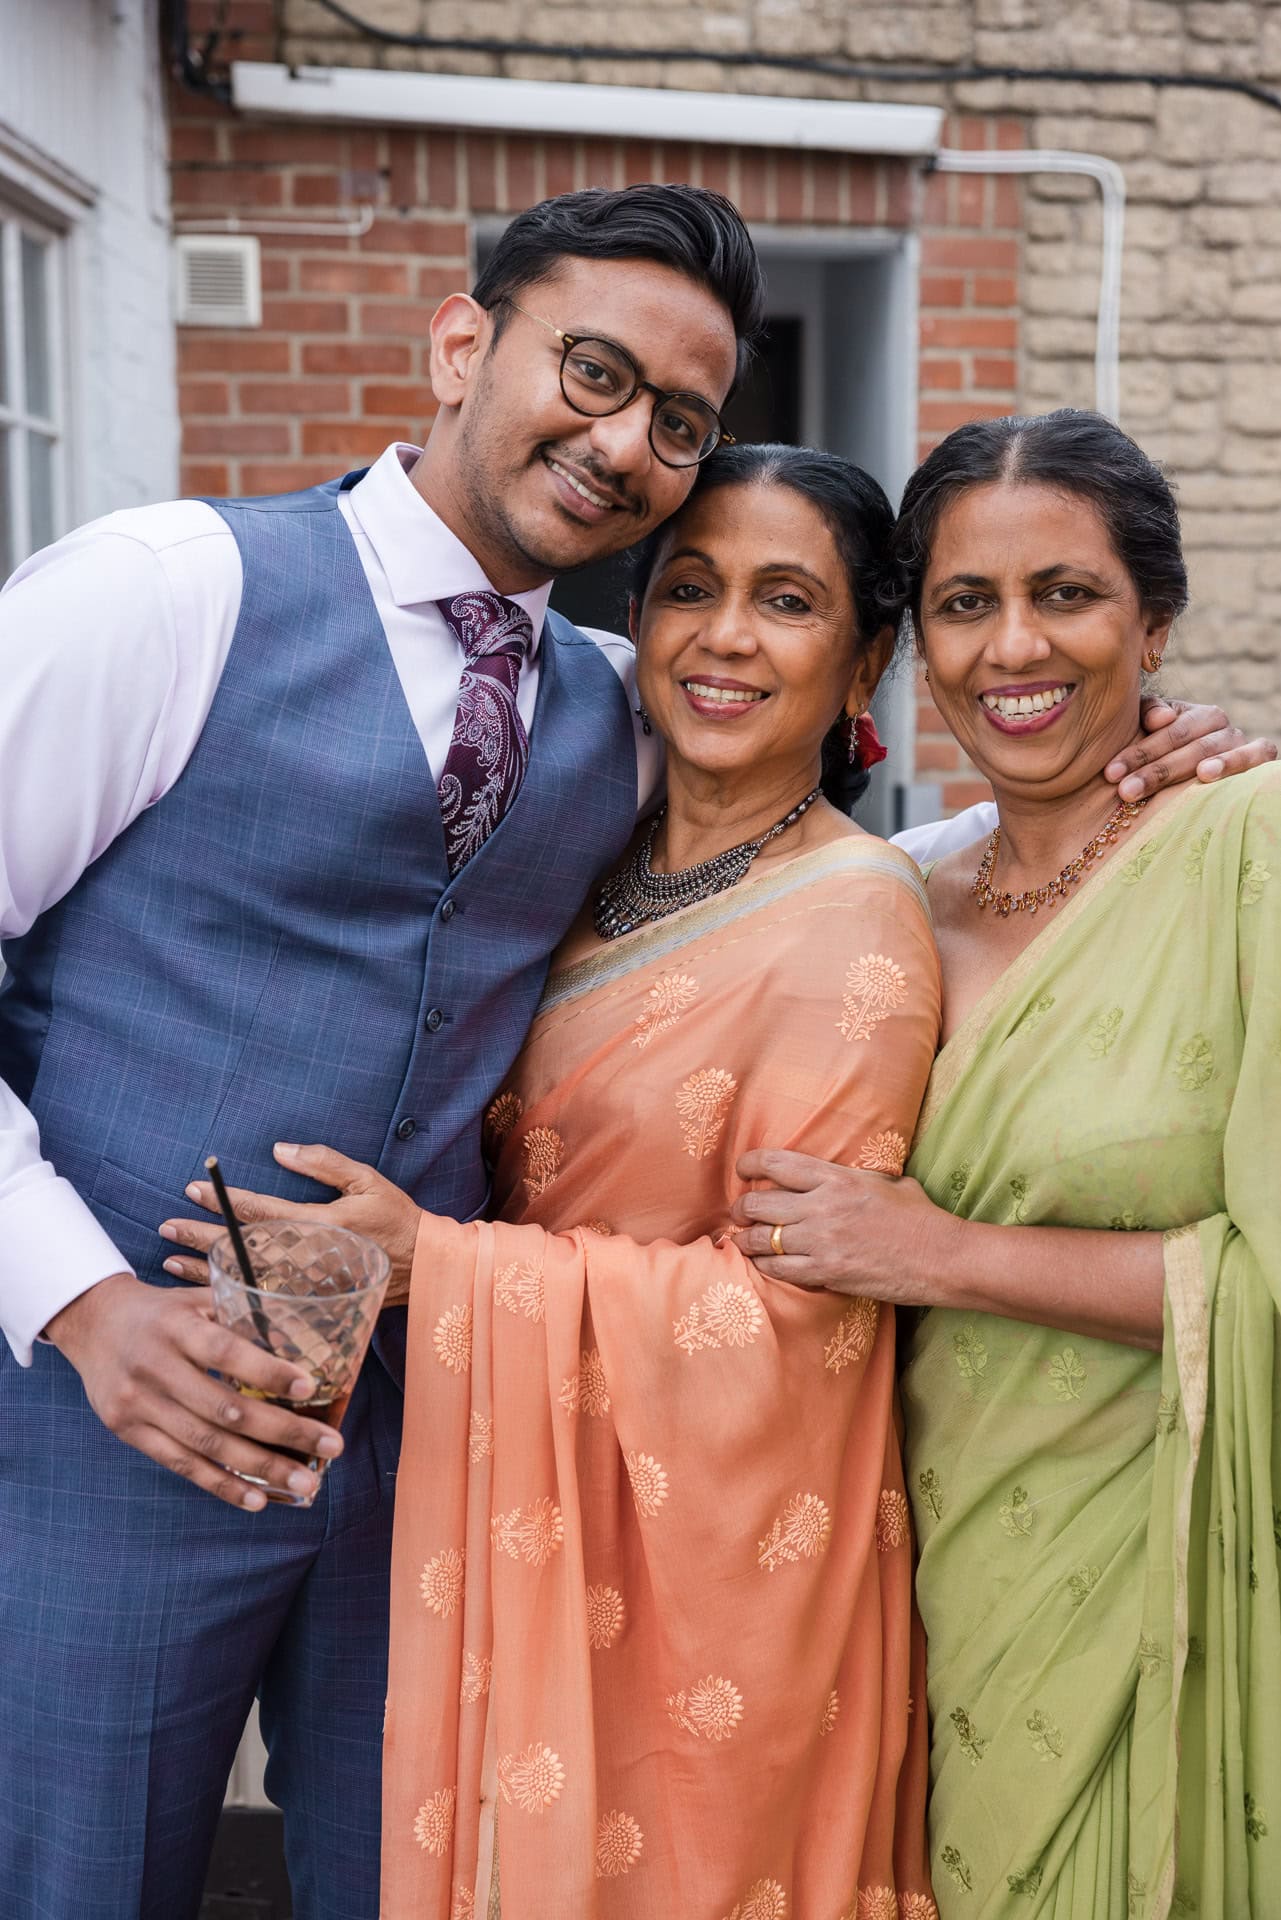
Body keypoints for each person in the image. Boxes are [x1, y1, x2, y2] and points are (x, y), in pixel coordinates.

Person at [0, 184, 765, 1920]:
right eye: (592, 370)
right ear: (458, 344)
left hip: (427, 1453)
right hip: (100, 1421)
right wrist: (84, 1307)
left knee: (416, 1885)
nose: (622, 442)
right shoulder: (166, 593)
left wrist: (1094, 798)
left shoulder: (618, 710)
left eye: (679, 421)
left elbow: (801, 870)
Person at [165, 443, 945, 1917]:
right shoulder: (589, 855)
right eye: (689, 590)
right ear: (632, 625)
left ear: (865, 660)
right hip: (509, 1487)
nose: (725, 636)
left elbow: (799, 1315)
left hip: (714, 1569)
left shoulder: (853, 919)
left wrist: (444, 1265)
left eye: (786, 601)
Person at [730, 410, 1281, 1917]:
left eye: (1068, 594)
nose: (1012, 646)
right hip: (908, 1588)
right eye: (965, 603)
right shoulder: (888, 892)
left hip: (1165, 1576)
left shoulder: (1247, 850)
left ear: (1153, 624)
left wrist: (939, 1254)